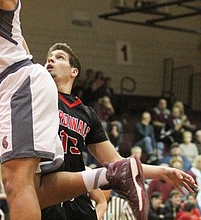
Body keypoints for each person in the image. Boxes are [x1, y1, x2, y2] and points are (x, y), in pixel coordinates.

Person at [0, 0, 197, 220]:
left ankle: (114, 172)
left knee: (17, 182)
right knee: (33, 189)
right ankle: (112, 174)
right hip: (12, 83)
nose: (53, 60)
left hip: (16, 81)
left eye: (61, 58)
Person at [42, 42, 198, 220]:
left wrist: (163, 171)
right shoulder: (41, 95)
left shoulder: (86, 113)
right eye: (48, 58)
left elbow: (117, 162)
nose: (51, 60)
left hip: (78, 201)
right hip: (48, 193)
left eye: (59, 57)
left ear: (74, 71)